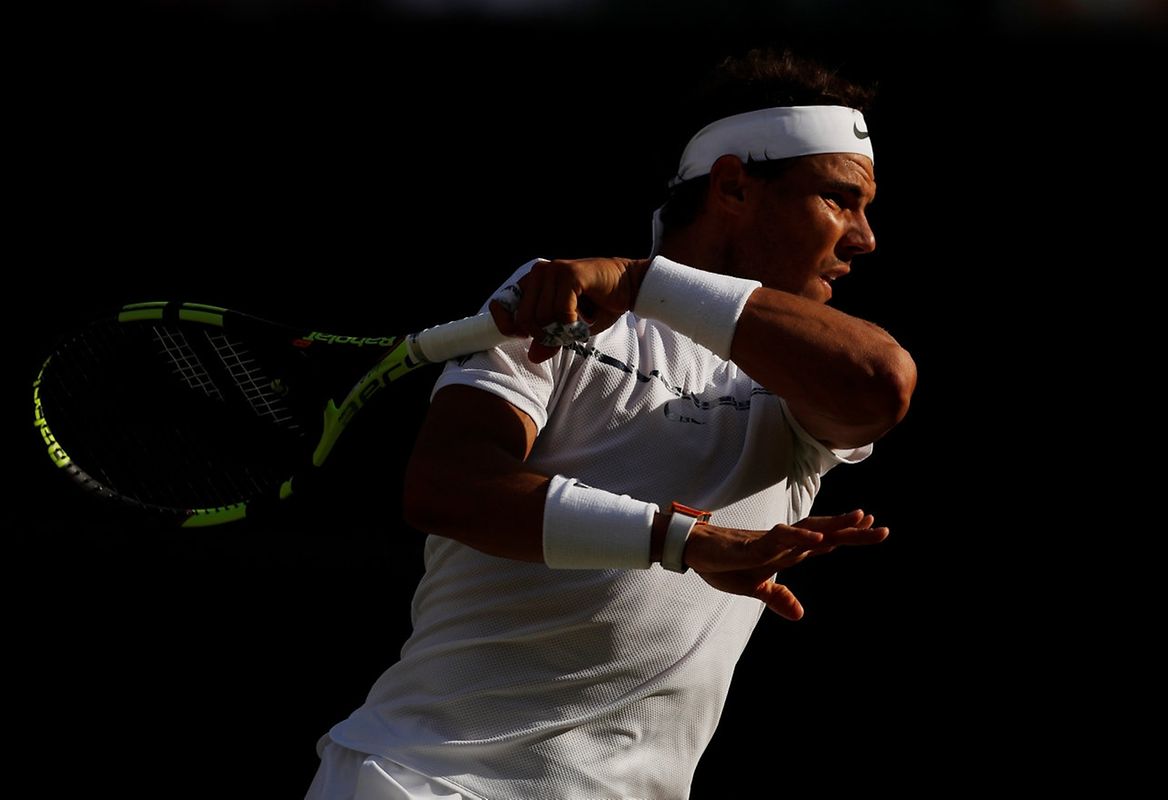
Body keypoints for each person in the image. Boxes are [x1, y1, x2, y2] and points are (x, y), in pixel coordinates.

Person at [306, 47, 917, 800]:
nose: (865, 238)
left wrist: (638, 281)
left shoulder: (802, 371)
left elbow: (878, 382)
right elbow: (448, 486)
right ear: (733, 186)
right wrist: (682, 540)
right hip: (424, 781)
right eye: (839, 199)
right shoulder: (559, 304)